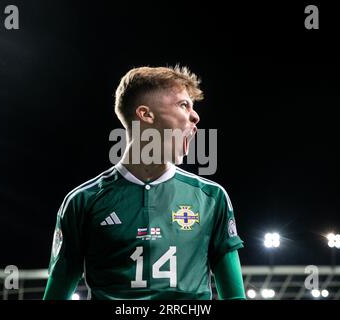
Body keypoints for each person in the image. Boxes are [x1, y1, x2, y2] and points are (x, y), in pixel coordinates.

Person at [43, 66, 245, 300]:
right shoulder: (82, 201)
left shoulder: (212, 197)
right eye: (183, 105)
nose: (195, 116)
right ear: (146, 114)